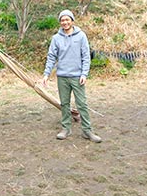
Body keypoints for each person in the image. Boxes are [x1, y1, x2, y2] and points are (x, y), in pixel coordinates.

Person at [42, 9, 102, 143]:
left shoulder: (81, 36)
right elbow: (51, 57)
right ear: (60, 22)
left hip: (77, 76)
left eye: (67, 19)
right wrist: (46, 74)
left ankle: (87, 131)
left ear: (72, 21)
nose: (65, 22)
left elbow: (86, 56)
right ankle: (66, 129)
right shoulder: (56, 38)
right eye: (62, 20)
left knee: (82, 104)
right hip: (62, 76)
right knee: (64, 104)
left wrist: (84, 74)